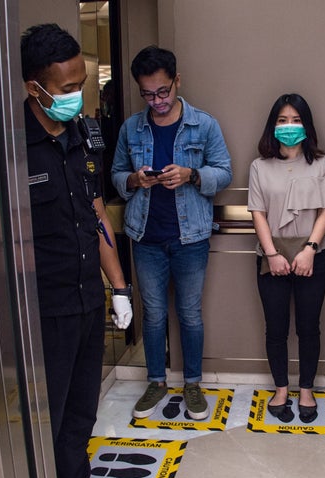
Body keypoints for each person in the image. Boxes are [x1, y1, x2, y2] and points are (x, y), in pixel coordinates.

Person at [21, 24, 135, 478]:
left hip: (89, 298)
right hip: (45, 309)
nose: (76, 96)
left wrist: (120, 287)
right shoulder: (8, 149)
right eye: (67, 89)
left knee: (82, 411)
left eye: (80, 85)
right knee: (49, 412)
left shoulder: (85, 136)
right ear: (35, 87)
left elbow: (95, 214)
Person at [111, 46, 232, 421]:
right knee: (153, 315)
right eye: (148, 94)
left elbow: (224, 172)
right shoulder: (131, 127)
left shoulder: (204, 124)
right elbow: (116, 175)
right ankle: (156, 381)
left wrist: (192, 175)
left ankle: (192, 383)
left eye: (163, 91)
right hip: (144, 236)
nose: (157, 101)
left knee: (190, 314)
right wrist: (133, 179)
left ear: (177, 81)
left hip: (190, 236)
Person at [247, 94, 325, 423]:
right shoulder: (259, 166)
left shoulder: (322, 163)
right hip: (270, 256)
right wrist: (272, 254)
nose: (289, 126)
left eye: (296, 120)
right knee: (275, 328)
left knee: (308, 327)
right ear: (272, 125)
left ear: (307, 124)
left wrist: (310, 249)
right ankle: (280, 388)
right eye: (282, 120)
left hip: (311, 255)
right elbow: (258, 214)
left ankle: (305, 389)